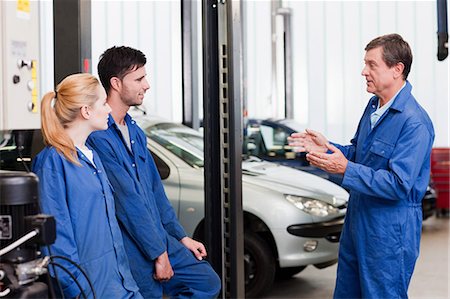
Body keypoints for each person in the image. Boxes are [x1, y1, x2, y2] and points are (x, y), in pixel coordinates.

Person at [288, 34, 434, 298]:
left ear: (397, 69)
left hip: (390, 230)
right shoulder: (374, 106)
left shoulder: (415, 123)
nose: (363, 71)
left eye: (371, 64)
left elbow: (399, 185)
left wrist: (345, 169)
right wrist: (328, 148)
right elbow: (358, 153)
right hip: (358, 220)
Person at [87, 46, 221, 299]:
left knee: (206, 282)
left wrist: (180, 237)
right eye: (139, 79)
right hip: (131, 246)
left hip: (159, 236)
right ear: (115, 83)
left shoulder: (135, 131)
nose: (146, 85)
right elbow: (127, 203)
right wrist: (159, 255)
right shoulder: (99, 136)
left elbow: (155, 192)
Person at [32, 73, 143, 298]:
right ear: (86, 111)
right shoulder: (53, 162)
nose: (109, 109)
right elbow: (57, 243)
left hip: (120, 285)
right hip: (90, 290)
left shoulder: (91, 156)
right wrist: (79, 291)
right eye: (103, 102)